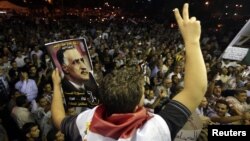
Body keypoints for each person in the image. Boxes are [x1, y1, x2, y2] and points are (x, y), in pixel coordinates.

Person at [51, 3, 207, 141]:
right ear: (137, 104)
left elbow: (58, 119)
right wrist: (192, 41)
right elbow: (195, 90)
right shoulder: (154, 131)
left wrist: (57, 86)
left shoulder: (84, 123)